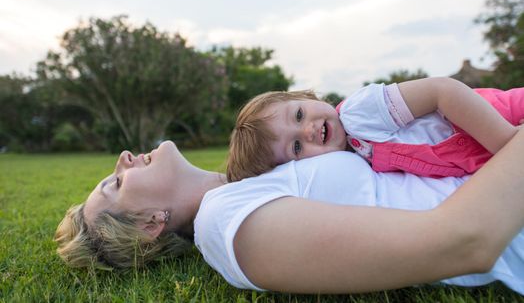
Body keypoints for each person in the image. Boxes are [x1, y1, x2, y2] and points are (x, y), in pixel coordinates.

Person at [55, 131, 524, 294]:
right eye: (116, 183)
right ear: (152, 223)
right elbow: (468, 240)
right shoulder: (229, 227)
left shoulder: (256, 175)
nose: (123, 159)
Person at [226, 77, 524, 182]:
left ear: (306, 97)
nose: (307, 131)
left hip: (502, 114)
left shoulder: (358, 114)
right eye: (296, 147)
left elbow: (442, 91)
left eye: (300, 114)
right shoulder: (351, 160)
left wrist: (506, 142)